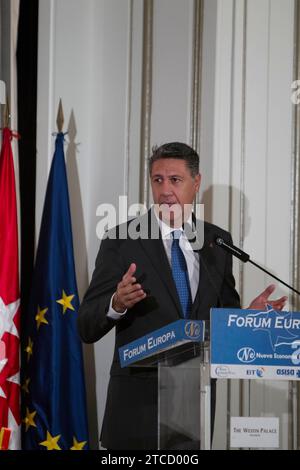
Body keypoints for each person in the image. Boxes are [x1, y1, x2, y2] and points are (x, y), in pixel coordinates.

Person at [78, 142, 287, 450]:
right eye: (157, 179)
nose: (164, 190)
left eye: (175, 180)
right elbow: (86, 325)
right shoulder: (121, 240)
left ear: (196, 183)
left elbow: (222, 322)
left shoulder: (217, 242)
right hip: (135, 415)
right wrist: (116, 303)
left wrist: (247, 318)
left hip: (194, 413)